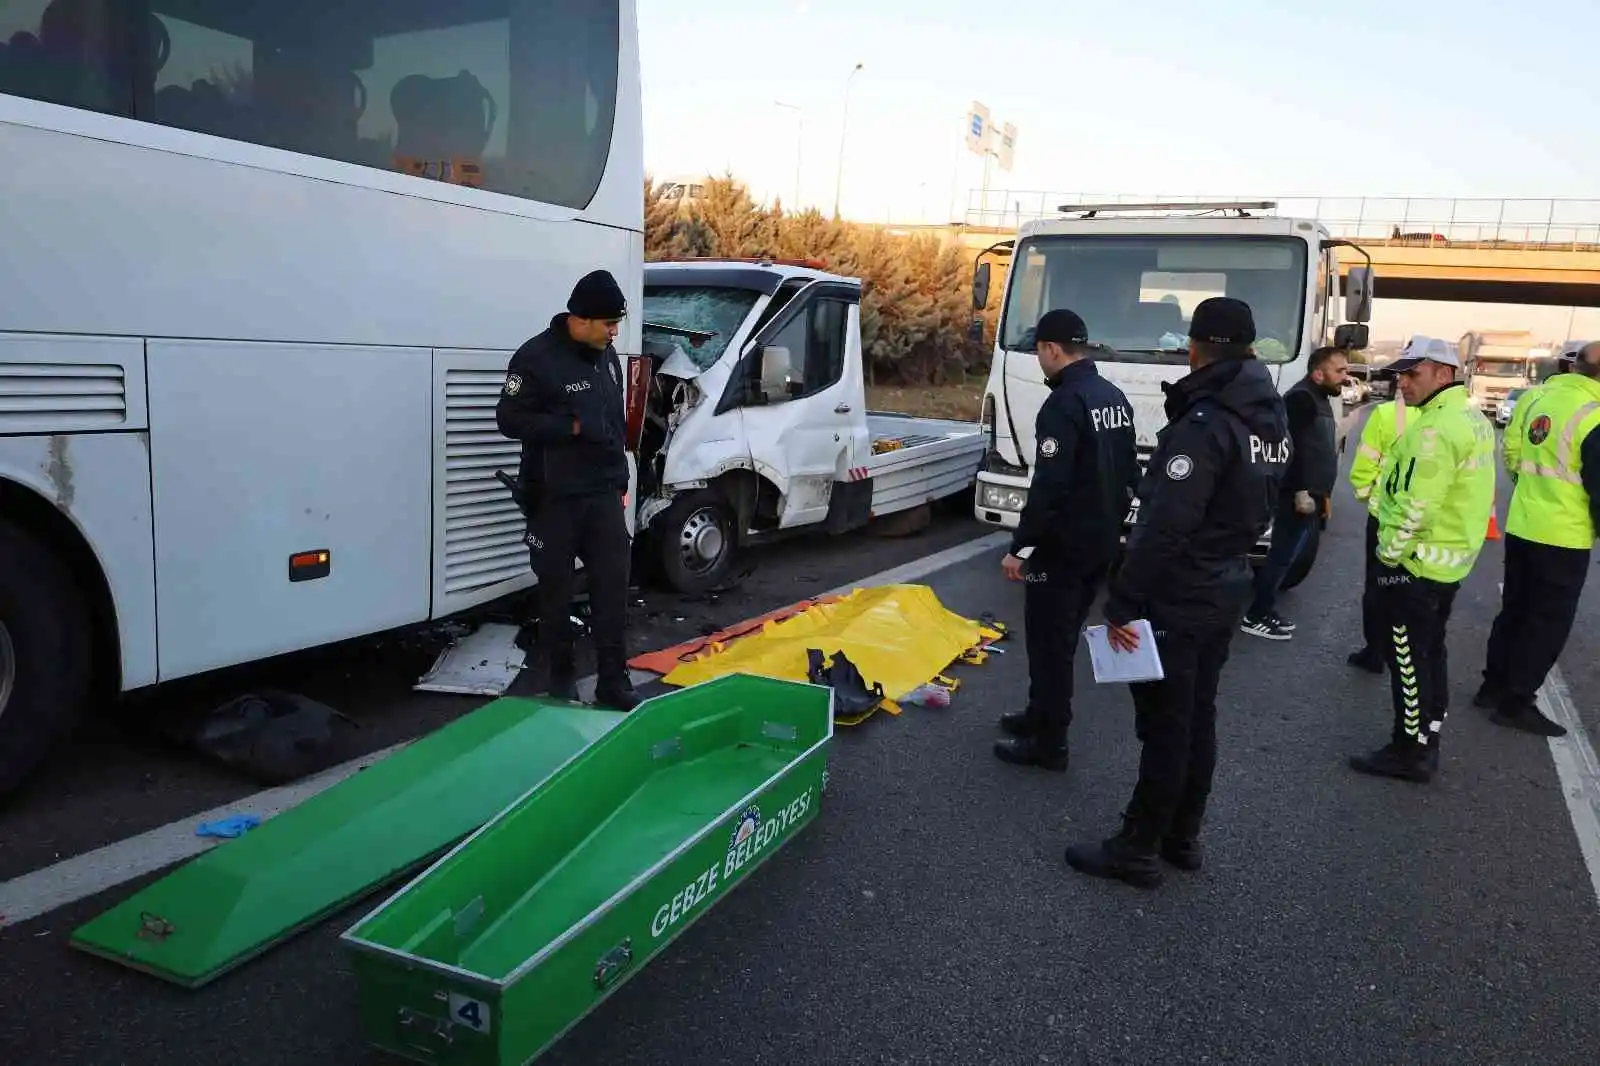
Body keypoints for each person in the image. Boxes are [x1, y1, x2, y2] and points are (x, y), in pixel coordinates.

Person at [1064, 297, 1290, 888]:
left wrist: (1124, 599)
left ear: (1195, 347)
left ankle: (1137, 846)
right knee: (1197, 716)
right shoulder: (1266, 414)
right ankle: (1182, 835)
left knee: (1167, 724)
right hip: (1228, 581)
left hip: (1182, 589)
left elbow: (1165, 524)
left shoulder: (1206, 423)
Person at [994, 309, 1139, 772]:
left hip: (1063, 549)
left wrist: (1021, 547)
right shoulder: (1112, 395)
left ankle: (1050, 741)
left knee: (1050, 644)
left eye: (1040, 352)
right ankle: (1039, 715)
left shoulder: (1063, 403)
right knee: (1062, 637)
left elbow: (1050, 485)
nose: (1040, 360)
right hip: (1101, 544)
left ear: (1051, 349)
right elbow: (1130, 473)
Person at [1349, 338, 1496, 784]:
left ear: (1444, 374)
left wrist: (1388, 559)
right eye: (1401, 373)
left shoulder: (1433, 429)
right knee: (1432, 651)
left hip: (1415, 568)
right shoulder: (1471, 419)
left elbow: (1417, 507)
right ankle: (1428, 732)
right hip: (1447, 564)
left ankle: (1410, 751)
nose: (1403, 382)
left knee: (1408, 660)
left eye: (1414, 373)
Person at [495, 269, 640, 712]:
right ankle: (561, 681)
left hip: (601, 496)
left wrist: (620, 482)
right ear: (580, 318)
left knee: (612, 590)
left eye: (617, 323)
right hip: (554, 498)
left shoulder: (607, 356)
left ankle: (613, 683)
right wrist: (570, 427)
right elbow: (508, 420)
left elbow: (613, 423)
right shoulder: (535, 358)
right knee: (556, 594)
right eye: (608, 323)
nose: (615, 331)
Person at [1475, 339, 1600, 738]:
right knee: (1546, 623)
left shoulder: (1537, 396)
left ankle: (1491, 687)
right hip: (1565, 534)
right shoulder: (1595, 415)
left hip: (1524, 524)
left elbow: (1510, 450)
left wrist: (1529, 489)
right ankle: (1515, 703)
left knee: (1514, 610)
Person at [1239, 345, 1348, 640]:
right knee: (1280, 557)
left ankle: (1266, 609)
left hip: (1311, 495)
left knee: (1284, 557)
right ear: (1318, 373)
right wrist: (1301, 490)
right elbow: (1288, 448)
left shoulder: (1319, 398)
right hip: (1296, 495)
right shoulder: (1301, 399)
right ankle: (1256, 615)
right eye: (1339, 371)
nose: (1345, 377)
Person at [1344, 369, 1408, 673]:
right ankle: (1404, 651)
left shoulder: (1385, 414)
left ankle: (1375, 651)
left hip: (1384, 518)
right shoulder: (1451, 417)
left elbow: (1364, 465)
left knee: (1378, 585)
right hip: (1426, 523)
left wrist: (1368, 496)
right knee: (1411, 588)